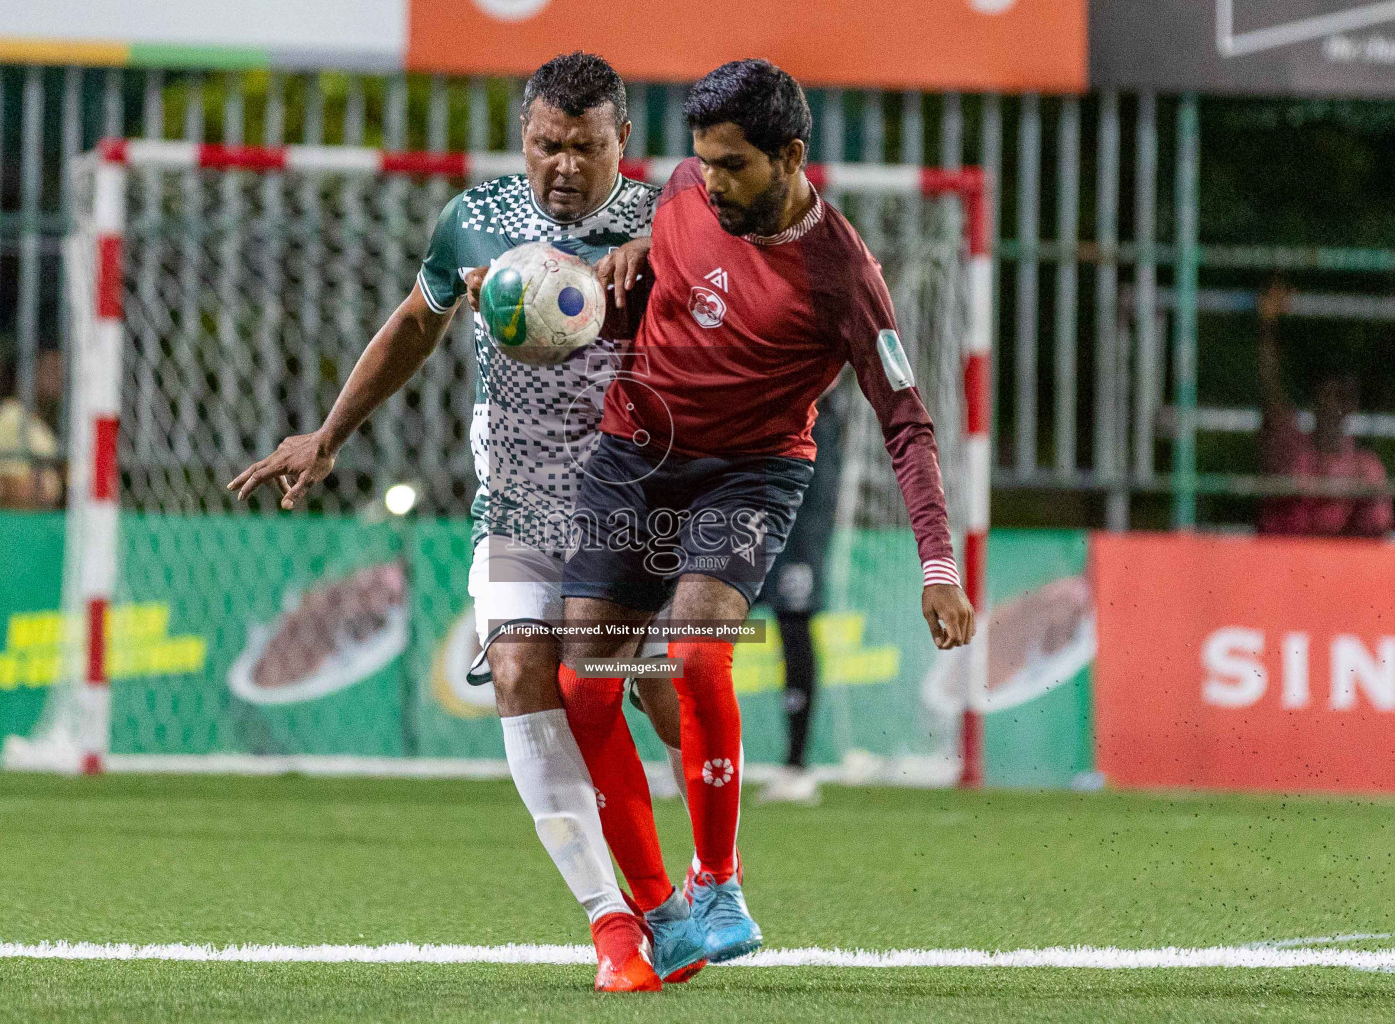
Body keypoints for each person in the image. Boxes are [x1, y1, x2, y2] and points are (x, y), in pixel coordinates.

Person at [228, 53, 693, 993]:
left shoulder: (669, 222)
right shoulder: (473, 218)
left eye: (584, 148)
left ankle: (709, 872)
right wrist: (328, 434)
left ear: (622, 143)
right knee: (523, 672)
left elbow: (735, 323)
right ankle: (614, 926)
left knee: (658, 694)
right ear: (525, 137)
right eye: (545, 146)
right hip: (516, 499)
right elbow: (414, 322)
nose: (562, 165)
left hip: (634, 499)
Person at [560, 59, 975, 972]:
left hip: (747, 475)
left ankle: (719, 881)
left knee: (701, 651)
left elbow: (907, 422)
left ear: (790, 156)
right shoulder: (680, 190)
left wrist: (939, 568)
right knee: (586, 684)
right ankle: (661, 912)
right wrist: (610, 279)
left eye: (733, 166)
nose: (711, 181)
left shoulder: (844, 277)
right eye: (702, 161)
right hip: (635, 458)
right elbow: (653, 289)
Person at [757, 386, 843, 806]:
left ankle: (796, 764)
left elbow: (834, 368)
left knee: (794, 619)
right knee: (707, 619)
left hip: (803, 466)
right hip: (744, 457)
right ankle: (689, 752)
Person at [1256, 280, 1392, 537]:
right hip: (1279, 566)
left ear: (1352, 405)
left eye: (1341, 397)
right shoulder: (1290, 445)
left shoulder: (1365, 468)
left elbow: (1377, 529)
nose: (1332, 404)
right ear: (1314, 400)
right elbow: (1269, 390)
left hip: (1332, 570)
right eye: (1326, 395)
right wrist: (1267, 326)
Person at [0, 349, 63, 510]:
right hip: (12, 526)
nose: (59, 378)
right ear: (29, 373)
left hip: (32, 523)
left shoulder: (37, 422)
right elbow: (11, 487)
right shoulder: (10, 416)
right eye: (51, 370)